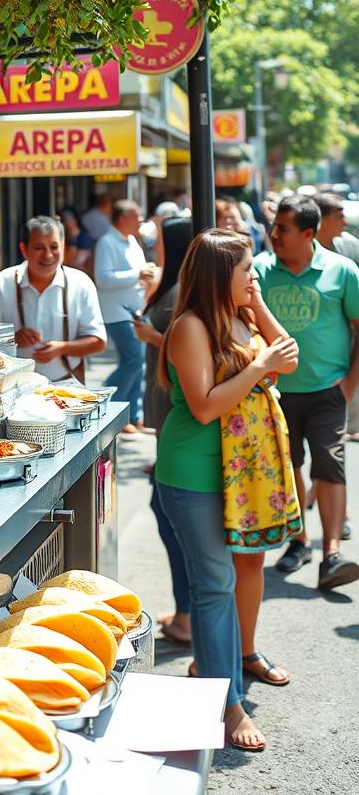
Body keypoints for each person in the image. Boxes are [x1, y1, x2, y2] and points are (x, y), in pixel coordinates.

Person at [157, 229, 300, 751]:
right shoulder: (190, 327)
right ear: (221, 276)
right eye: (246, 271)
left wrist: (258, 306)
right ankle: (227, 704)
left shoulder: (241, 316)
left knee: (238, 571)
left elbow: (291, 357)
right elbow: (205, 406)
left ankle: (218, 668)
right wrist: (259, 367)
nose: (254, 276)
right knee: (214, 586)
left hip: (242, 473)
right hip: (194, 473)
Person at [256, 196, 359, 589]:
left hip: (327, 390)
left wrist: (349, 383)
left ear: (309, 233)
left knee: (330, 462)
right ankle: (299, 541)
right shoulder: (262, 271)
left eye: (283, 228)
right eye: (275, 226)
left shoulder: (343, 271)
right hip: (276, 392)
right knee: (289, 465)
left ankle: (332, 553)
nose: (274, 234)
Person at [133, 216, 193, 645]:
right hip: (167, 420)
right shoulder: (174, 286)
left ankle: (188, 617)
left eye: (160, 243)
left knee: (171, 517)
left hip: (175, 420)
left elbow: (178, 347)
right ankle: (187, 612)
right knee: (169, 515)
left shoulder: (179, 294)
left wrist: (153, 337)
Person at [0, 216, 105, 381]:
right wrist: (13, 338)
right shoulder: (3, 282)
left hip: (66, 386)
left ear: (63, 246)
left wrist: (62, 348)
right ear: (24, 250)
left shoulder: (81, 283)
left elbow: (98, 341)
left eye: (54, 247)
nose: (48, 255)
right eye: (39, 248)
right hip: (13, 386)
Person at [93, 200, 158, 432]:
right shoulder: (106, 242)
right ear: (122, 219)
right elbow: (103, 278)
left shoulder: (132, 241)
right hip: (115, 311)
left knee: (138, 361)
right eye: (136, 215)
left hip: (134, 308)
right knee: (133, 359)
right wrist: (137, 274)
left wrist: (145, 277)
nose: (140, 220)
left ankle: (131, 414)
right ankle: (108, 405)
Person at [316, 192, 359, 448]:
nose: (344, 222)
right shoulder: (303, 252)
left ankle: (352, 423)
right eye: (339, 216)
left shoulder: (348, 246)